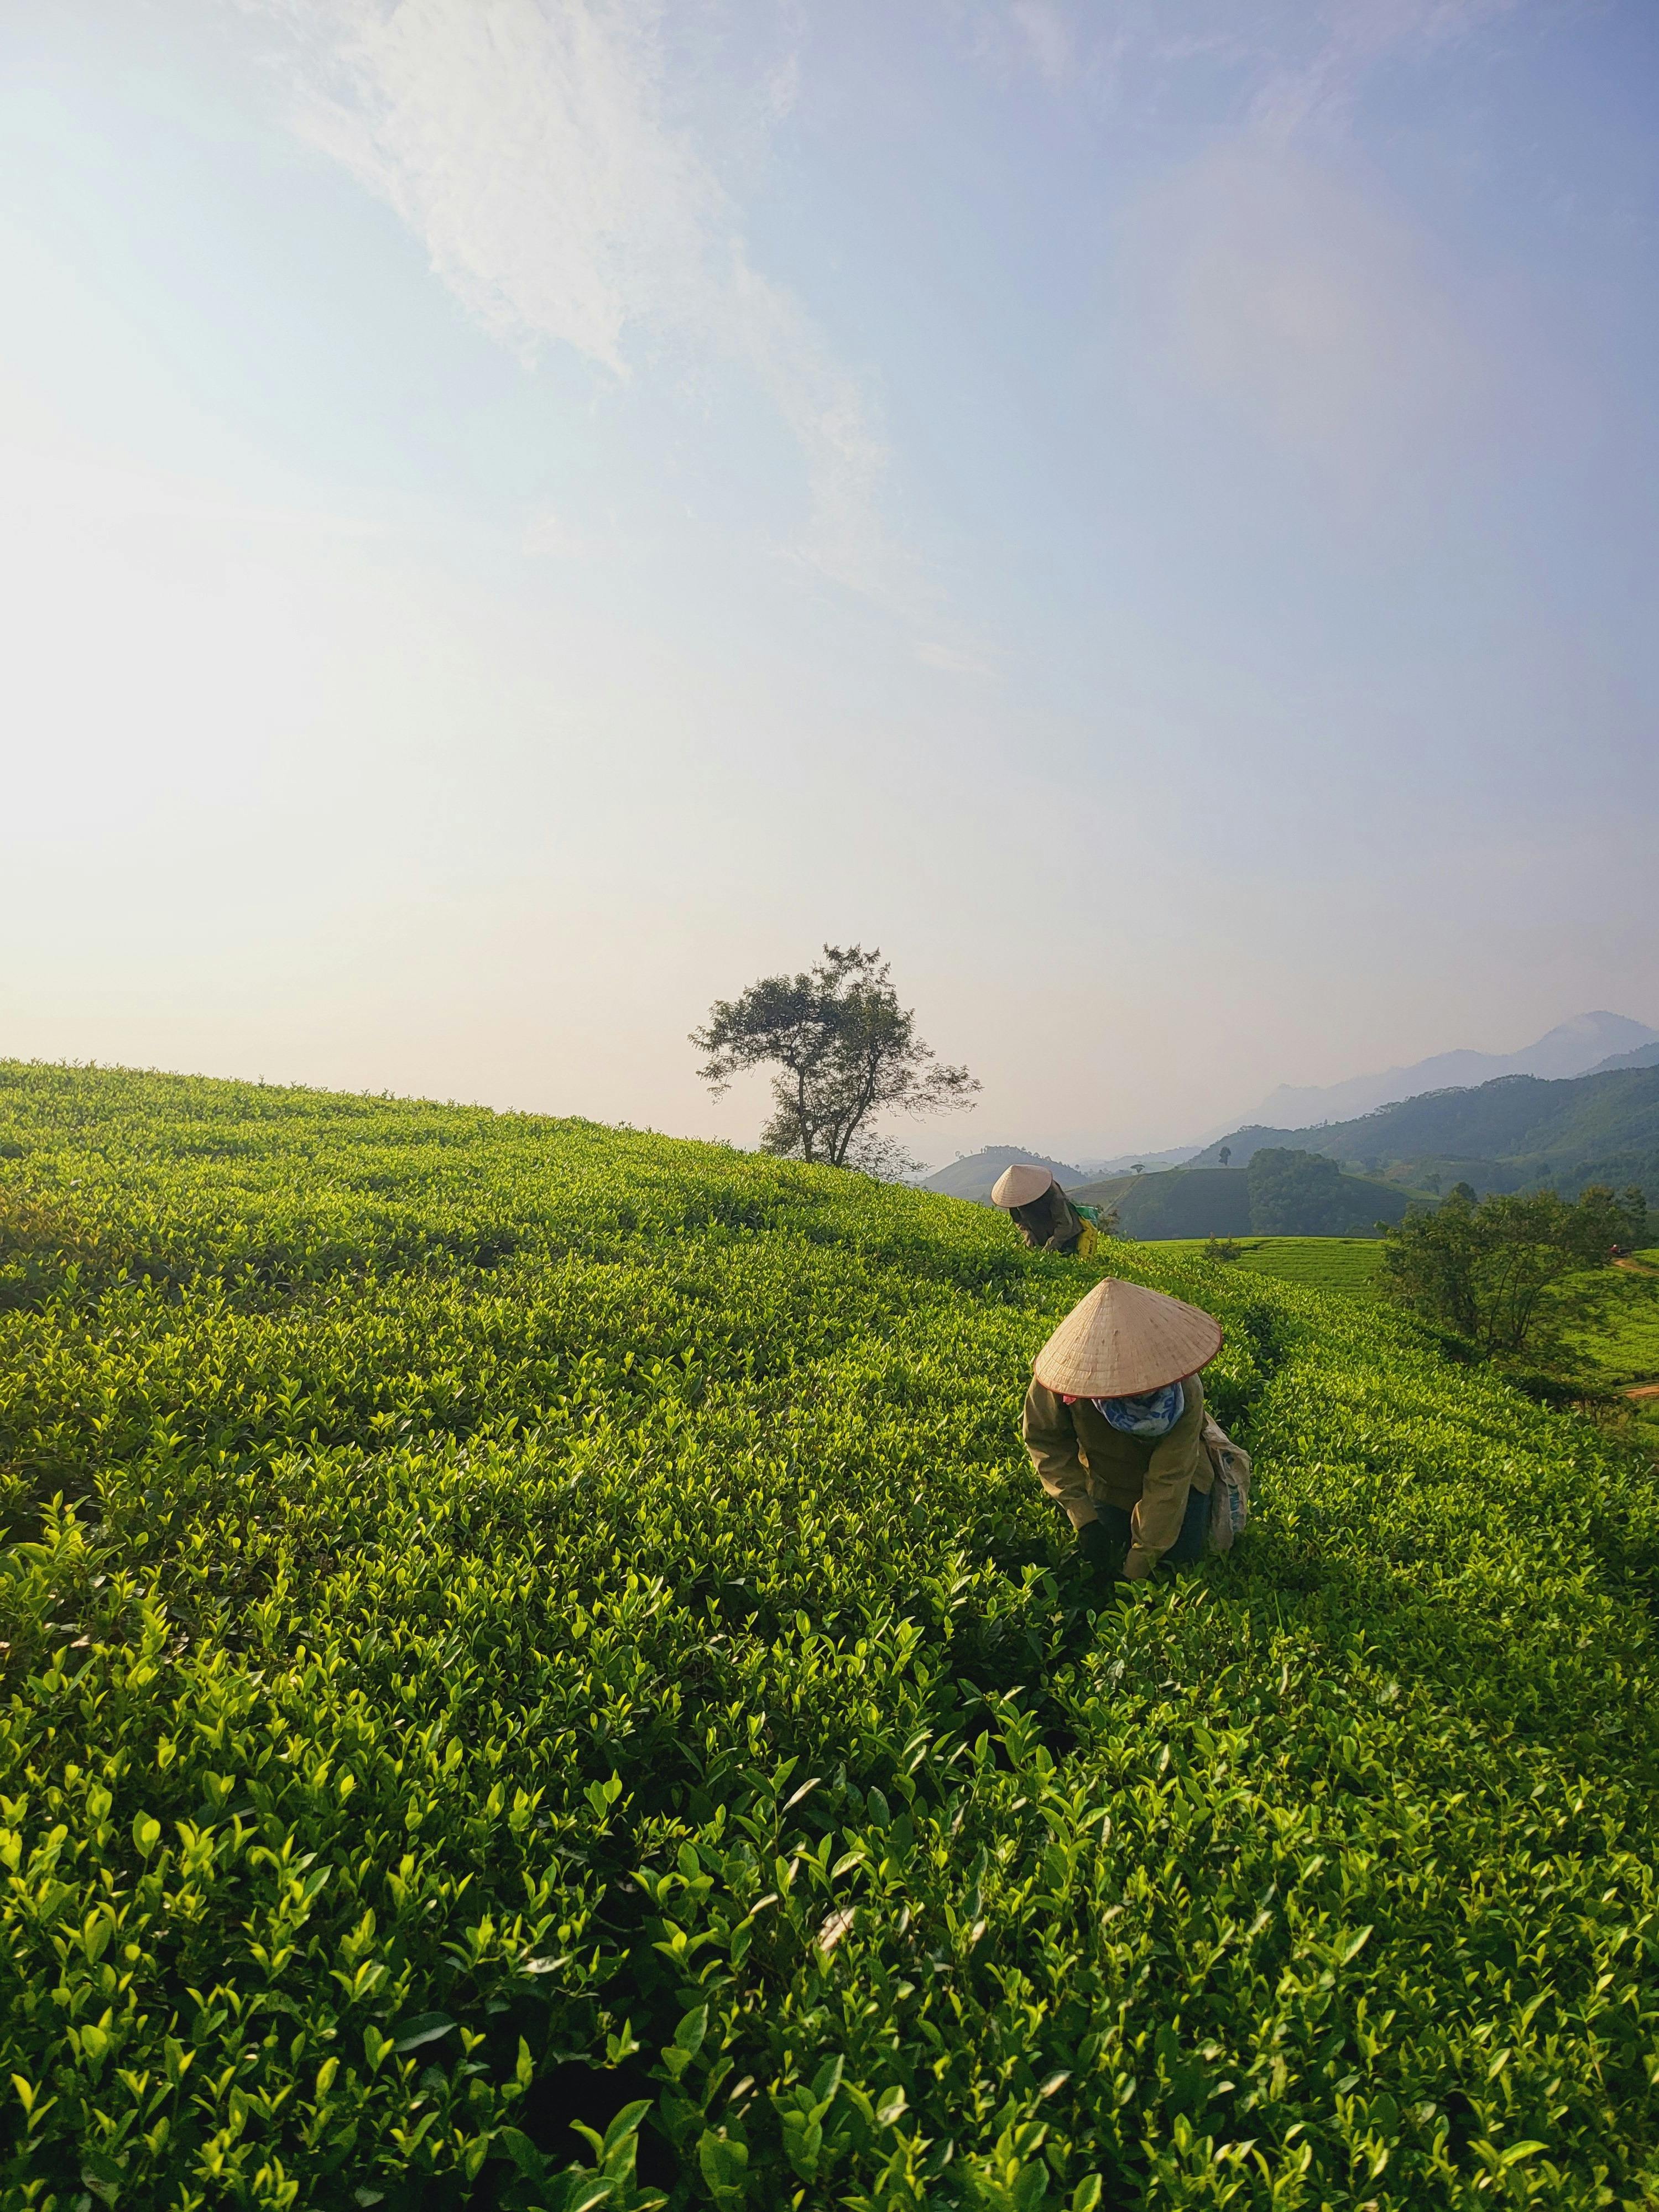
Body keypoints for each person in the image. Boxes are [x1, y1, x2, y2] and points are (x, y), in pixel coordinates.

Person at [1020, 1275, 1224, 1582]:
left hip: (1183, 1485)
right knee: (1105, 1553)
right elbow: (1045, 1440)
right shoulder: (1063, 1380)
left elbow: (1169, 1480)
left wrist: (1138, 1566)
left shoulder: (1184, 1392)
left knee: (1176, 1565)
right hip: (1108, 1482)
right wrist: (1082, 1516)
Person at [991, 1163, 1099, 1258]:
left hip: (1068, 1240)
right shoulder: (1013, 1198)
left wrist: (1050, 1246)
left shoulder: (1053, 1194)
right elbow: (1019, 1221)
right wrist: (1029, 1236)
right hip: (1041, 1237)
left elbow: (1065, 1225)